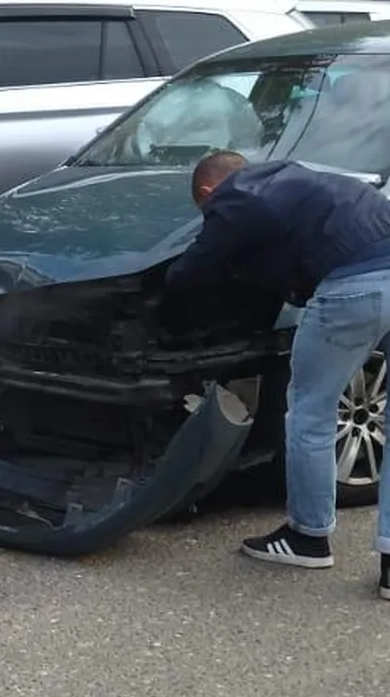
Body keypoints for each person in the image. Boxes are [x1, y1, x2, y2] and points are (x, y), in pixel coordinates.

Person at [163, 150, 390, 595]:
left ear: (208, 191)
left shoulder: (235, 197)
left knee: (310, 414)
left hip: (353, 291)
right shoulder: (298, 175)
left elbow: (191, 272)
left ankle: (308, 537)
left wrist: (165, 307)